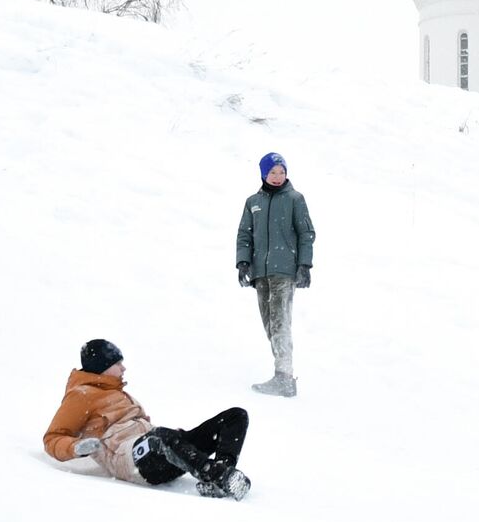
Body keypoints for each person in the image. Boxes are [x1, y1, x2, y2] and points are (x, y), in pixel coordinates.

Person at [44, 339, 252, 500]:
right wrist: (75, 447)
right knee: (160, 437)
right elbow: (53, 437)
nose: (123, 368)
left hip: (160, 452)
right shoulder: (81, 395)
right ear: (102, 367)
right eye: (118, 363)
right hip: (131, 461)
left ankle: (222, 474)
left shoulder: (119, 393)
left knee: (235, 416)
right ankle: (218, 475)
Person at [235, 152, 315, 397]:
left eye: (282, 172)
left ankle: (285, 377)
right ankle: (282, 374)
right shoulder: (253, 202)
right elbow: (244, 235)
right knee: (270, 323)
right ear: (263, 173)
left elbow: (306, 233)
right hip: (261, 272)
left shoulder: (294, 199)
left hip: (284, 271)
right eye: (273, 172)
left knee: (280, 322)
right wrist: (243, 262)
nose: (278, 177)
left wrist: (304, 266)